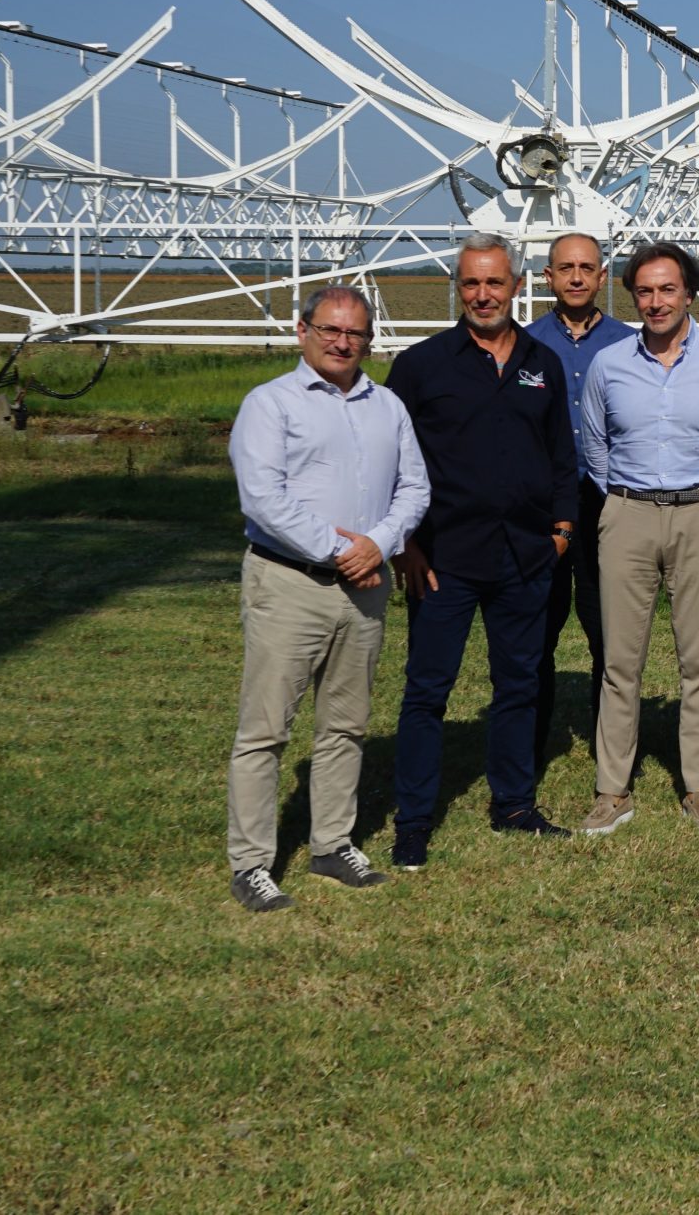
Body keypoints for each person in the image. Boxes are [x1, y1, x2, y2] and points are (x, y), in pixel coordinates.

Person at [222, 285, 429, 911]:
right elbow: (263, 497)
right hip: (290, 583)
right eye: (331, 330)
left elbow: (414, 488)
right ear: (302, 331)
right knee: (266, 730)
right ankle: (251, 862)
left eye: (356, 334)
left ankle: (331, 843)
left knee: (346, 724)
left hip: (363, 589)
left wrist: (379, 544)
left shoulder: (387, 406)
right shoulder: (270, 405)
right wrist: (342, 552)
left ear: (369, 339)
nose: (343, 343)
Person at [385, 234, 582, 869]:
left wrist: (561, 532)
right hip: (443, 558)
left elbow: (561, 457)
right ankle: (413, 820)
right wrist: (405, 544)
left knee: (518, 683)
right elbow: (391, 460)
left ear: (517, 286)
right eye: (471, 283)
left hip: (525, 556)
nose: (483, 295)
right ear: (457, 287)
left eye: (495, 283)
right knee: (426, 692)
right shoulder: (422, 366)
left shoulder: (540, 361)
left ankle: (514, 803)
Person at [575, 242, 699, 836]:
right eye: (645, 292)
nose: (656, 302)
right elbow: (595, 445)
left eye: (667, 290)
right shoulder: (610, 364)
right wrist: (618, 504)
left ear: (689, 293)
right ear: (633, 296)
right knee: (619, 662)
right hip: (626, 512)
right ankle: (612, 791)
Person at [525, 232, 637, 760]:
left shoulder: (628, 344)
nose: (575, 277)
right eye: (565, 268)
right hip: (540, 506)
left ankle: (609, 743)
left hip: (603, 502)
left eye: (586, 268)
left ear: (601, 276)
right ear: (548, 276)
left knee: (607, 632)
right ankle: (529, 741)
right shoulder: (523, 343)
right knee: (535, 633)